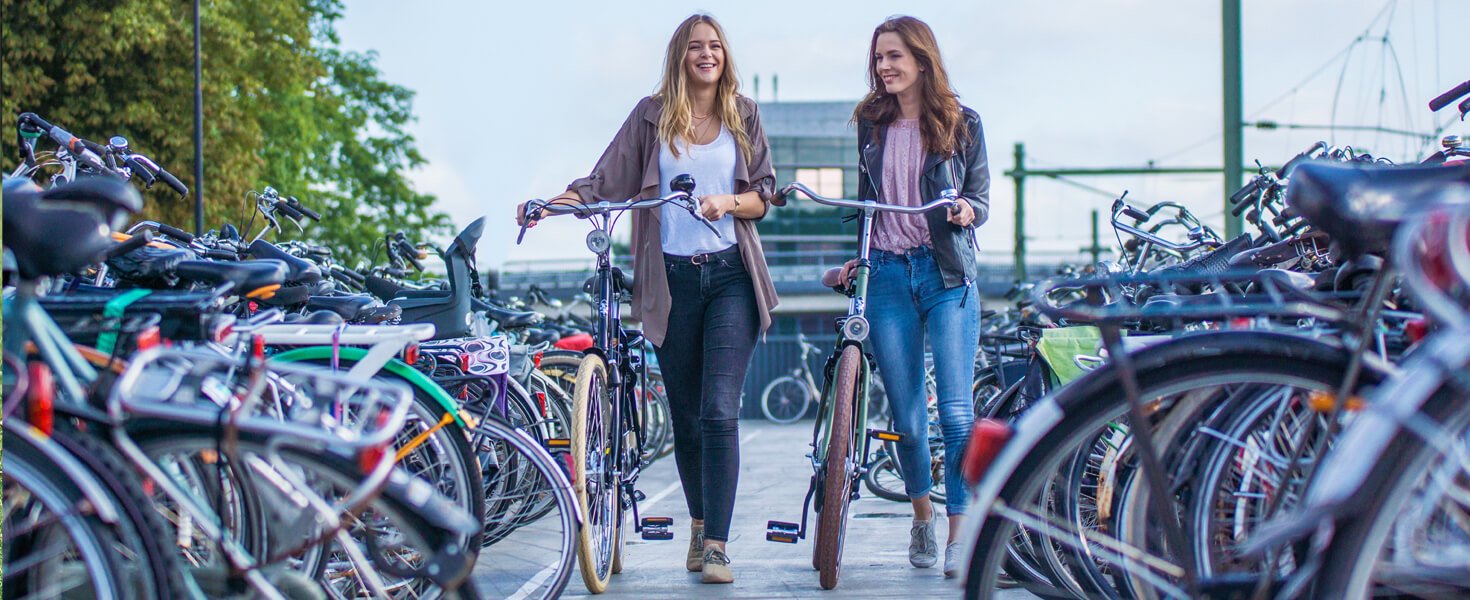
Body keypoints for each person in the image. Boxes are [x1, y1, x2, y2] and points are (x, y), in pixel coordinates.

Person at [516, 13, 779, 585]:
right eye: (695, 47)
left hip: (732, 275)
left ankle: (717, 546)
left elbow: (763, 195)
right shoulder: (651, 115)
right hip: (670, 282)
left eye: (714, 46)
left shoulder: (744, 113)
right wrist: (552, 204)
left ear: (725, 55)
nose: (706, 55)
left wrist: (725, 203)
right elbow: (605, 179)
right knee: (685, 418)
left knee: (718, 410)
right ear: (679, 56)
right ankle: (699, 521)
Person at [841, 14, 989, 577]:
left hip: (945, 273)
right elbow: (864, 201)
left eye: (894, 56)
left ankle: (958, 532)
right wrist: (857, 255)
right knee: (905, 417)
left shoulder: (962, 122)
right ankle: (921, 516)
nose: (884, 67)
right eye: (878, 58)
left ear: (922, 60)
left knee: (955, 412)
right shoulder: (870, 123)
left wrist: (967, 210)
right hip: (887, 273)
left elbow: (982, 198)